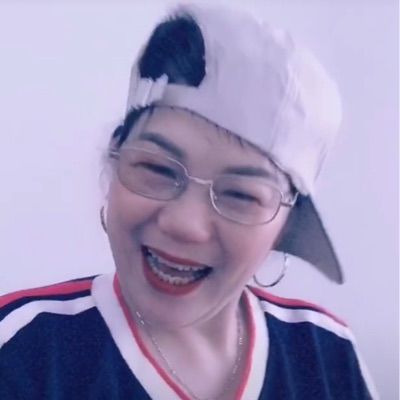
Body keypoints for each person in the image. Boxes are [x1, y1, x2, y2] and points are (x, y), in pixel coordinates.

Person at [0, 3, 378, 399]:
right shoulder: (21, 350)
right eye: (157, 169)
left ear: (287, 224)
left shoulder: (327, 356)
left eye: (240, 194)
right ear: (113, 163)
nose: (185, 224)